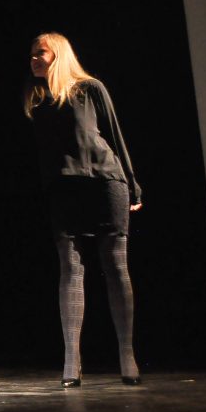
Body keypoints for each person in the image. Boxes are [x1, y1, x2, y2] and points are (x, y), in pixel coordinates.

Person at [25, 32, 142, 388]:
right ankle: (72, 360)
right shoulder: (38, 101)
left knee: (116, 266)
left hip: (104, 183)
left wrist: (132, 183)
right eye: (31, 54)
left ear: (58, 53)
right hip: (64, 191)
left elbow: (115, 135)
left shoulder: (90, 89)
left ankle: (127, 354)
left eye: (40, 52)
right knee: (71, 270)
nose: (33, 59)